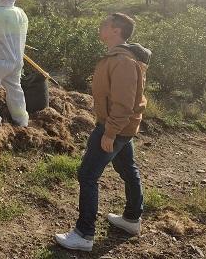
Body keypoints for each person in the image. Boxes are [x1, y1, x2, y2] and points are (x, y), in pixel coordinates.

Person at [55, 13, 151, 252]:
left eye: (104, 24)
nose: (100, 27)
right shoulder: (118, 57)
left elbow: (124, 103)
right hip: (121, 128)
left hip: (114, 127)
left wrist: (109, 133)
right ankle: (131, 219)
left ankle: (84, 234)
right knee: (128, 168)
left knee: (87, 174)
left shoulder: (123, 61)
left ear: (116, 30)